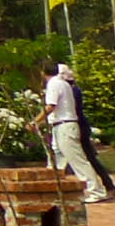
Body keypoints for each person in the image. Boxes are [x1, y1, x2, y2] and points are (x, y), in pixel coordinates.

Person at [33, 58, 110, 203]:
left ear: (43, 72)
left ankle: (96, 191)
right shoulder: (63, 84)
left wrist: (35, 121)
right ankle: (56, 190)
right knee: (56, 161)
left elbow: (51, 106)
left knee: (77, 160)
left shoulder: (54, 84)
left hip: (64, 126)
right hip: (60, 124)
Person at [54, 62, 115, 200]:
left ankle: (106, 187)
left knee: (87, 157)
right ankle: (108, 187)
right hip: (75, 125)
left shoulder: (70, 90)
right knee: (80, 157)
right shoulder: (71, 89)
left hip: (76, 126)